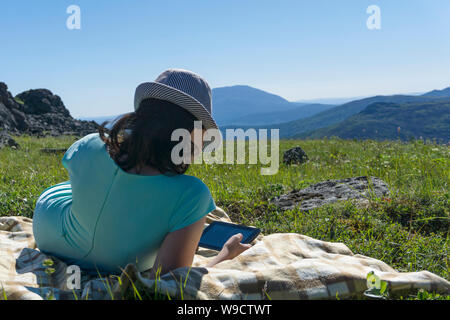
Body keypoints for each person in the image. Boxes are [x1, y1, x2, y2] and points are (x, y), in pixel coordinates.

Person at [32, 69, 251, 276]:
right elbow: (169, 280)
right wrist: (225, 254)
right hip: (110, 263)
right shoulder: (192, 193)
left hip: (47, 232)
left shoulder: (89, 144)